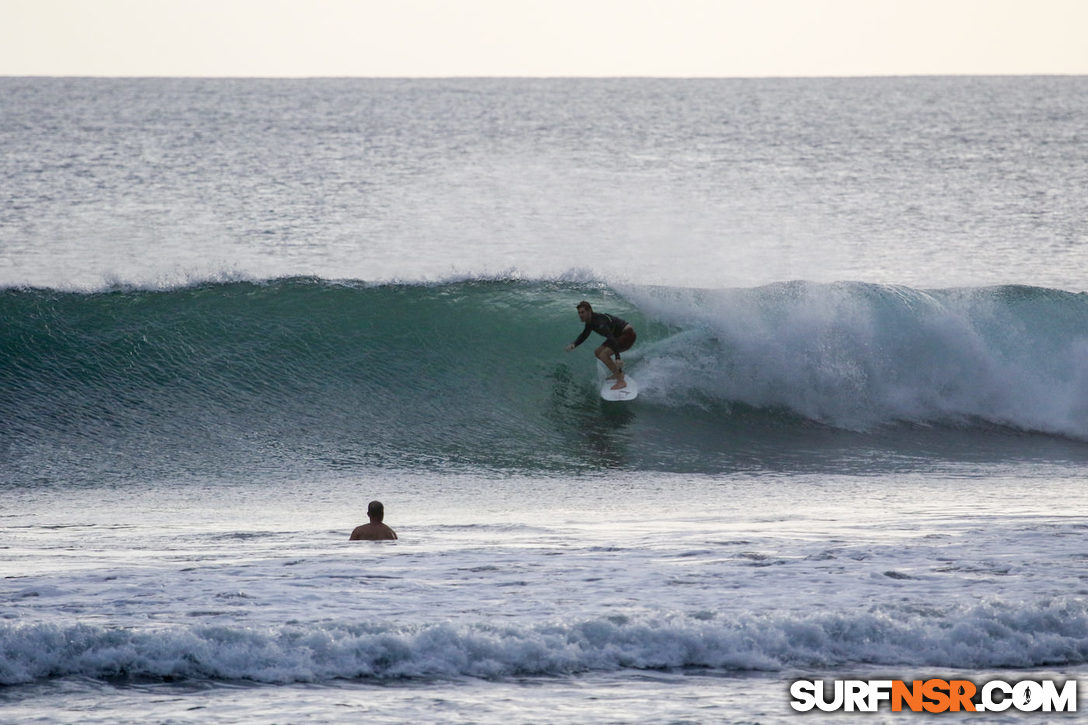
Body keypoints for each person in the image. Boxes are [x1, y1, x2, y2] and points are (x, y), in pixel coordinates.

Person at [564, 300, 637, 390]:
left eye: (583, 312)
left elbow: (611, 339)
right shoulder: (590, 321)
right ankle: (618, 373)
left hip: (628, 335)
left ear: (589, 311)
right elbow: (584, 335)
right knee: (598, 352)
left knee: (604, 354)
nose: (580, 315)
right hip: (618, 336)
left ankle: (621, 381)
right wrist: (574, 344)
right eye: (579, 313)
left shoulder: (599, 323)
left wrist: (617, 358)